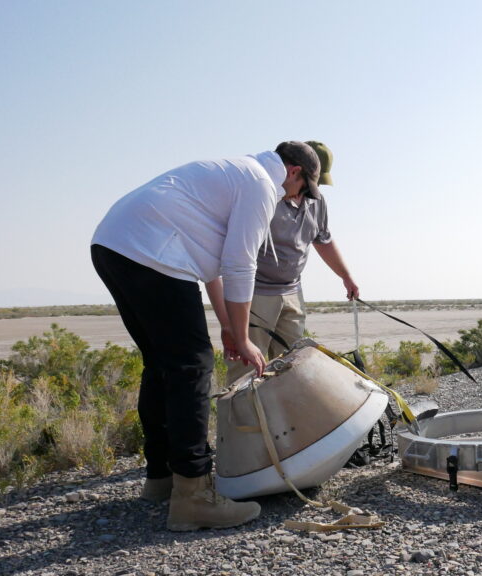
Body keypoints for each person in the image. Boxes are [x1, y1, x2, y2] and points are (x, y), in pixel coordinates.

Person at [90, 141, 320, 531]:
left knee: (163, 366)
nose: (295, 197)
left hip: (114, 245)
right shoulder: (262, 184)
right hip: (152, 254)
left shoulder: (234, 174)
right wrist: (247, 339)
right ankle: (193, 497)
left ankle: (161, 478)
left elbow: (213, 267)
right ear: (294, 171)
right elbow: (240, 263)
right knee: (192, 370)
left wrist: (231, 329)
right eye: (303, 189)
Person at [224, 141, 359, 384]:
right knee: (245, 372)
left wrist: (346, 276)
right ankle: (239, 422)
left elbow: (324, 240)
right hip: (255, 294)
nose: (311, 190)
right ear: (295, 171)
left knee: (292, 365)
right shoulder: (263, 194)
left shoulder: (317, 201)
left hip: (292, 292)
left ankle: (282, 422)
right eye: (310, 183)